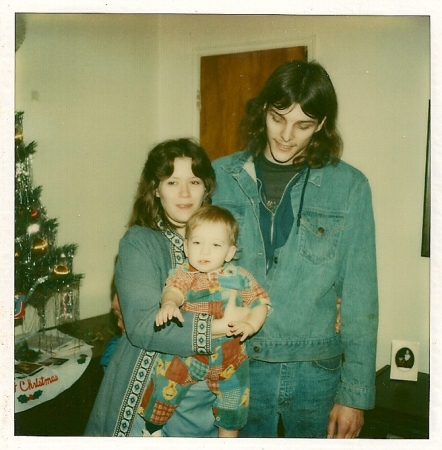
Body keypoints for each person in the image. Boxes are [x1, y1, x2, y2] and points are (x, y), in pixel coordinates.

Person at [211, 60, 379, 438]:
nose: (287, 135)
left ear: (320, 125)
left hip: (315, 374)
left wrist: (354, 395)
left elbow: (361, 296)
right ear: (263, 112)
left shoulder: (350, 186)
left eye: (303, 125)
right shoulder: (219, 177)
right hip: (236, 364)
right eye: (278, 118)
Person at [86, 138, 247, 437]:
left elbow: (245, 294)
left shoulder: (220, 237)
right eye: (172, 181)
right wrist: (221, 326)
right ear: (155, 189)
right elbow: (146, 326)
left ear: (206, 188)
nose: (185, 193)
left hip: (209, 395)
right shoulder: (139, 242)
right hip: (145, 388)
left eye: (194, 181)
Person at [140, 204, 271, 437]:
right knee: (165, 380)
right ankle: (153, 428)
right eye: (197, 243)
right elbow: (174, 290)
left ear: (230, 253)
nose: (204, 252)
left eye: (215, 245)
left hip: (230, 357)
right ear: (186, 245)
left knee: (233, 403)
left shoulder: (240, 277)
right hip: (190, 353)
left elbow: (260, 304)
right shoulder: (185, 274)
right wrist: (169, 303)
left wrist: (251, 324)